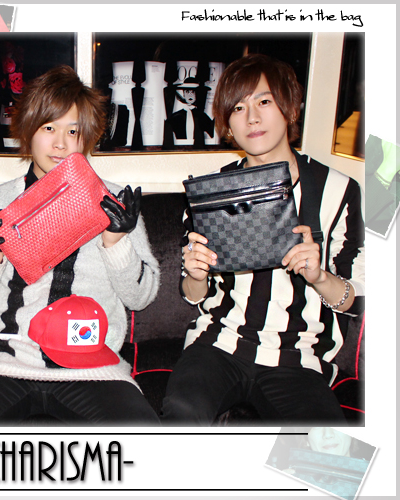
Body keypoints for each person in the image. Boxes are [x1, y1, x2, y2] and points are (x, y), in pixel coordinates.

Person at [0, 65, 161, 425]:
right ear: (29, 130)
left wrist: (116, 242)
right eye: (49, 128)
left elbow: (141, 298)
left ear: (87, 137)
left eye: (73, 130)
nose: (60, 143)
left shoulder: (116, 202)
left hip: (92, 367)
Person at [161, 54, 365, 423]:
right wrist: (195, 274)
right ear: (227, 123)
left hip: (298, 360)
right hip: (219, 345)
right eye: (238, 108)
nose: (251, 118)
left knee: (326, 449)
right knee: (181, 414)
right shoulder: (213, 192)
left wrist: (320, 276)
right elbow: (192, 296)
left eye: (264, 101)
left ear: (290, 108)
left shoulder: (338, 191)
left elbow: (357, 300)